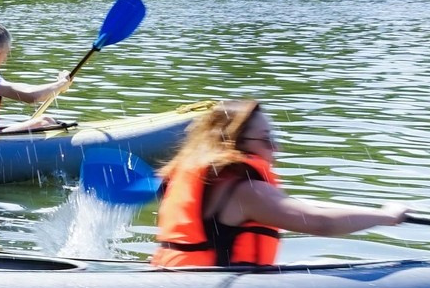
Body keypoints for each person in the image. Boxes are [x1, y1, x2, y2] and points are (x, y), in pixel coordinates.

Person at [150, 99, 406, 268]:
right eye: (266, 138)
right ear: (233, 144)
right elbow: (321, 222)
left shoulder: (212, 180)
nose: (276, 147)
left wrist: (376, 213)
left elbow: (296, 206)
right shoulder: (246, 191)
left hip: (179, 285)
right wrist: (386, 216)